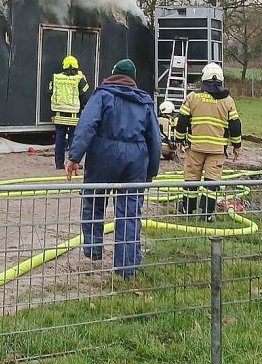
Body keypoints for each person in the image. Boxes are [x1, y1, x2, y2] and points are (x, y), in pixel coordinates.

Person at [66, 58, 161, 279]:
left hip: (103, 156)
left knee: (93, 199)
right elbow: (154, 139)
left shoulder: (102, 95)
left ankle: (93, 248)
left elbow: (86, 125)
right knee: (129, 213)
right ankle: (127, 268)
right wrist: (151, 171)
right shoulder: (145, 101)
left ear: (114, 73)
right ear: (132, 79)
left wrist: (74, 158)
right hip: (135, 161)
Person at [173, 63, 242, 220]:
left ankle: (188, 210)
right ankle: (207, 214)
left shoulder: (192, 97)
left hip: (196, 148)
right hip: (217, 150)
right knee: (212, 181)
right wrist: (236, 146)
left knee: (191, 178)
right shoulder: (228, 101)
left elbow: (182, 121)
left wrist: (179, 139)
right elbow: (236, 125)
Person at [48, 55, 92, 169]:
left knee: (59, 138)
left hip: (59, 115)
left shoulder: (56, 78)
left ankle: (58, 164)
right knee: (74, 138)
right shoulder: (79, 79)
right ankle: (73, 162)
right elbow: (86, 96)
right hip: (74, 115)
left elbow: (49, 92)